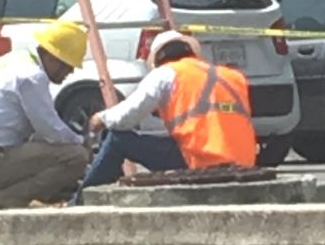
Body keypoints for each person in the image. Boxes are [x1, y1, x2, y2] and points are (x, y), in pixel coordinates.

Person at [80, 29, 257, 189]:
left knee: (116, 139)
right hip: (243, 162)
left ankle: (82, 201)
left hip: (200, 159)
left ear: (157, 59)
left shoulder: (167, 73)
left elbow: (127, 116)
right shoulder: (233, 76)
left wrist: (100, 119)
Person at [0, 20, 89, 209]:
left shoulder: (13, 60)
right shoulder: (31, 76)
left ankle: (23, 197)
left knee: (55, 150)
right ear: (52, 56)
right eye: (67, 65)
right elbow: (51, 130)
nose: (70, 72)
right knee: (76, 156)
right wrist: (82, 142)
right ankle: (7, 198)